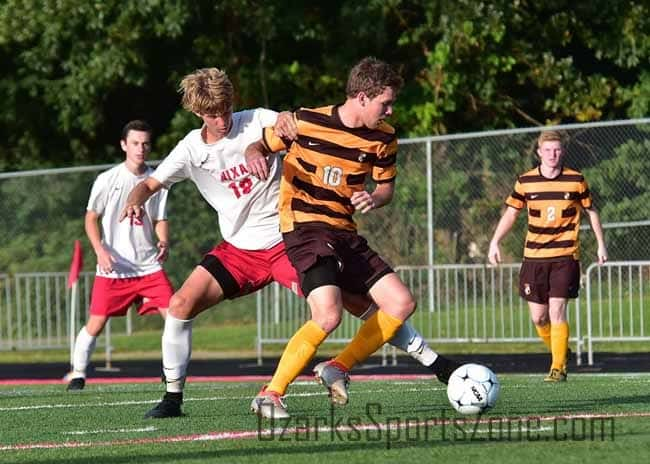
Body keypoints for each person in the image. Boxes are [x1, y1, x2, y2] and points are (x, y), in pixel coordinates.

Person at [122, 67, 459, 419]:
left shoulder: (255, 120)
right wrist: (134, 201)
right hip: (238, 250)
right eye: (212, 114)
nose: (222, 119)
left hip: (288, 239)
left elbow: (286, 121)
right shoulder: (191, 149)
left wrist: (282, 122)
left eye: (226, 109)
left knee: (357, 305)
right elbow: (148, 185)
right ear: (197, 114)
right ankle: (172, 398)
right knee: (180, 304)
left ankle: (433, 362)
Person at [246, 56, 437, 419]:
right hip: (304, 227)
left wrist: (374, 198)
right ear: (362, 97)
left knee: (400, 304)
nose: (390, 110)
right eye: (386, 102)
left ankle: (338, 367)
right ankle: (269, 394)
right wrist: (254, 155)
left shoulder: (385, 137)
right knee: (328, 314)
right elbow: (257, 147)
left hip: (345, 232)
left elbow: (385, 189)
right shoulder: (305, 121)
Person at [487, 130, 608, 382]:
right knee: (538, 317)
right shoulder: (525, 181)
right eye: (548, 150)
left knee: (557, 311)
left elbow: (591, 211)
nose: (553, 154)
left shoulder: (576, 180)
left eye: (557, 150)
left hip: (565, 256)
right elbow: (511, 214)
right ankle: (561, 350)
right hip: (534, 257)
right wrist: (495, 242)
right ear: (539, 152)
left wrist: (600, 244)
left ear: (562, 152)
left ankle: (557, 368)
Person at [67, 120, 173, 391]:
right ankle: (78, 374)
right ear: (124, 145)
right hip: (115, 267)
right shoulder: (108, 179)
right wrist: (100, 250)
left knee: (175, 314)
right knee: (96, 322)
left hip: (148, 266)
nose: (141, 148)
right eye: (135, 143)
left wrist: (163, 240)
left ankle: (172, 371)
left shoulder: (157, 181)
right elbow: (91, 218)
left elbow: (160, 218)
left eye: (145, 143)